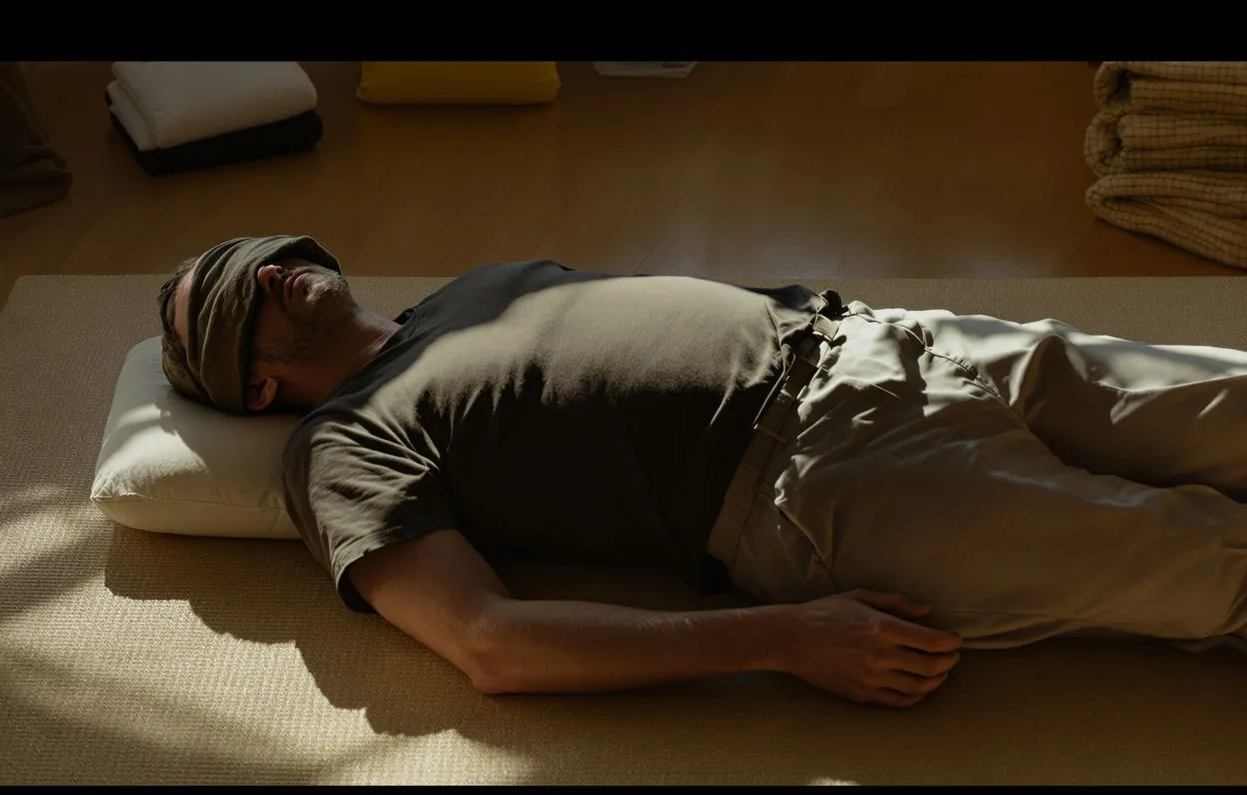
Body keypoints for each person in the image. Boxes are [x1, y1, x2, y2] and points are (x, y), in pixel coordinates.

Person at [156, 235, 1247, 708]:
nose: (275, 271)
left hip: (892, 337)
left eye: (264, 257)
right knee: (1210, 567)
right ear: (255, 388)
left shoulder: (461, 293)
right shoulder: (337, 445)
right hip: (822, 479)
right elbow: (489, 643)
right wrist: (785, 639)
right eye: (240, 297)